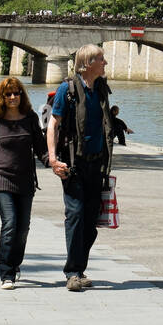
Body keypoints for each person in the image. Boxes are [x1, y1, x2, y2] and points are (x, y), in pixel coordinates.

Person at [47, 45, 115, 292]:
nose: (105, 63)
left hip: (97, 164)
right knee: (75, 215)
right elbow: (53, 125)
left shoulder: (101, 89)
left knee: (90, 221)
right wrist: (53, 159)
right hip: (73, 164)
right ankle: (73, 272)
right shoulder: (68, 89)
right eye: (101, 59)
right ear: (87, 63)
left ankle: (79, 267)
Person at [0, 78, 49, 290]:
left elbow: (41, 149)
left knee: (23, 229)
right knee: (10, 223)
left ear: (22, 95)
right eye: (8, 94)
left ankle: (14, 264)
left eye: (16, 93)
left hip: (25, 181)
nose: (13, 97)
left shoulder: (31, 119)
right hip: (1, 178)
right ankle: (6, 274)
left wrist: (53, 163)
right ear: (2, 97)